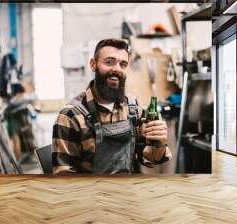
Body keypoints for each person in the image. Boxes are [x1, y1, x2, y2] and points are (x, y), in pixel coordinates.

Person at [52, 38, 172, 174]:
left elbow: (148, 158)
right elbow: (64, 177)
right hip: (89, 193)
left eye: (123, 64)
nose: (117, 69)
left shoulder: (133, 108)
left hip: (126, 190)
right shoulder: (71, 115)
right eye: (109, 62)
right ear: (93, 64)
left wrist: (159, 144)